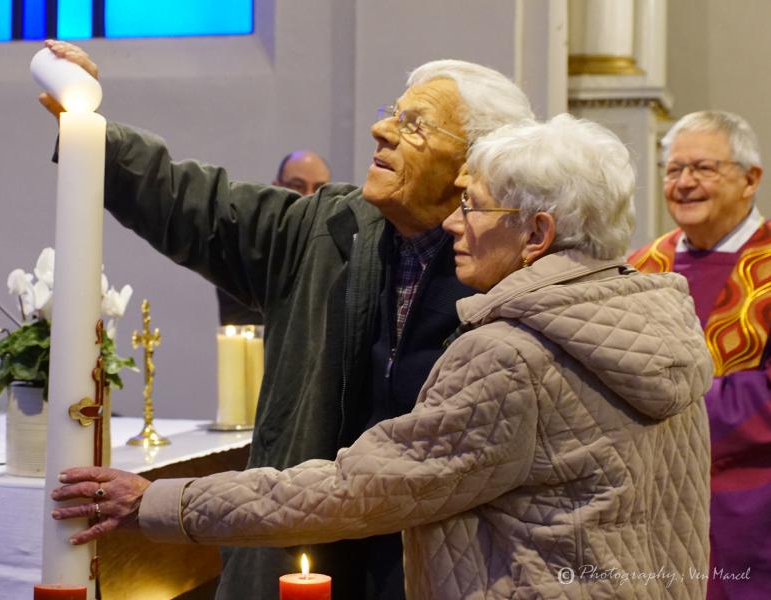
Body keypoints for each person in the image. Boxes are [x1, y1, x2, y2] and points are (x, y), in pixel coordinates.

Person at [51, 114, 713, 599]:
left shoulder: (513, 356)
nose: (455, 223)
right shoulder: (656, 326)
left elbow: (356, 489)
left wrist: (163, 504)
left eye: (473, 206)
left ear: (536, 233)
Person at [39, 40, 534, 599]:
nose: (383, 131)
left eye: (414, 124)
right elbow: (191, 203)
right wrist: (90, 129)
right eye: (391, 113)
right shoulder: (326, 229)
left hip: (440, 572)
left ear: (475, 165)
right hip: (300, 555)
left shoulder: (511, 273)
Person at [628, 110, 771, 599]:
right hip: (651, 507)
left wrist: (668, 405)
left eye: (703, 169)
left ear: (750, 179)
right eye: (672, 170)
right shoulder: (640, 269)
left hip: (750, 510)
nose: (684, 183)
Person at [217, 150, 332, 325]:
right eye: (298, 186)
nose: (310, 196)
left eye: (319, 189)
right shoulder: (245, 250)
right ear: (276, 188)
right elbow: (246, 331)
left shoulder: (339, 251)